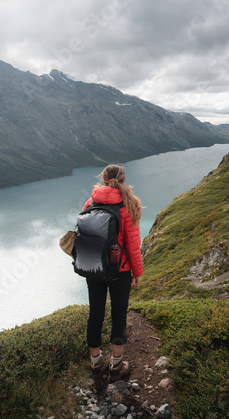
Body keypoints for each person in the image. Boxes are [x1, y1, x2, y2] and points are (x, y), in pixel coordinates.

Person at [82, 163, 143, 382]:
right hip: (121, 270)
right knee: (119, 315)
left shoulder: (91, 201)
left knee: (95, 314)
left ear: (104, 178)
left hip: (94, 268)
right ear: (123, 180)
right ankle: (116, 366)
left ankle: (96, 363)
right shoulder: (129, 204)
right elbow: (133, 246)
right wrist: (137, 272)